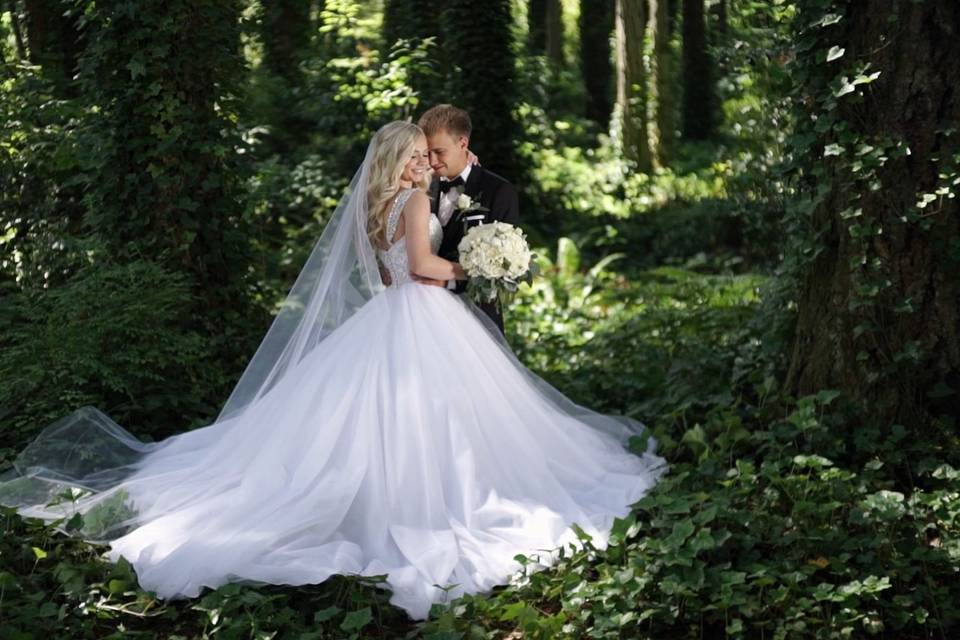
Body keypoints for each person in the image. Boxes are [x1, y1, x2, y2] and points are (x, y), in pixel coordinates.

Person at [0, 121, 666, 621]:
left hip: (387, 317)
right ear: (398, 161)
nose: (421, 164)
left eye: (423, 157)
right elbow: (425, 267)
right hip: (425, 315)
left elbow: (384, 271)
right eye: (413, 156)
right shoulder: (409, 205)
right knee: (450, 425)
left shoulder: (373, 207)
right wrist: (480, 266)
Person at [416, 104, 520, 334]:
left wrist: (448, 282)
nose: (431, 161)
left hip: (476, 321)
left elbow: (506, 269)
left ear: (463, 143)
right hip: (420, 319)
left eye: (439, 152)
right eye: (426, 152)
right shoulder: (419, 188)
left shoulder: (498, 191)